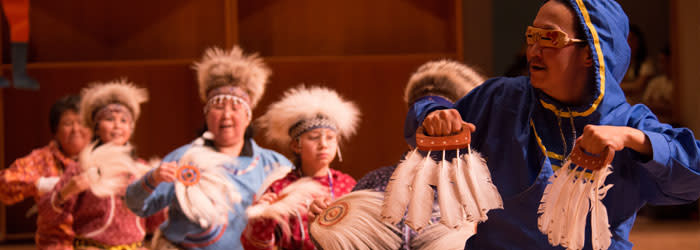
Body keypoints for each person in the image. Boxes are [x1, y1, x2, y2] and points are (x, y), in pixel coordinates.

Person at [417, 0, 700, 249]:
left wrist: (634, 139)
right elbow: (425, 122)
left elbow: (694, 175)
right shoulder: (501, 99)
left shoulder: (628, 122)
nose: (533, 51)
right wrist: (436, 115)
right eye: (531, 37)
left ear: (591, 52)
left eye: (549, 38)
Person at [125, 46, 292, 250]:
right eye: (219, 107)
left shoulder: (274, 165)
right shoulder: (184, 159)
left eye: (235, 108)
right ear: (206, 115)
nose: (226, 115)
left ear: (248, 117)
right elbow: (136, 205)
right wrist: (153, 178)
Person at [348, 59, 485, 249]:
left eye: (444, 128)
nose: (434, 133)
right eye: (424, 125)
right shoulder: (374, 184)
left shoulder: (481, 191)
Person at [37, 80, 166, 249]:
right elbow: (48, 214)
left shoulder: (140, 169)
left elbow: (153, 222)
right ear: (96, 128)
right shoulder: (81, 166)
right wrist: (67, 190)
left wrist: (166, 192)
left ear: (131, 128)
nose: (117, 126)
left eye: (124, 120)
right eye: (110, 119)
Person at [241, 85, 360, 249]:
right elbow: (255, 246)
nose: (323, 144)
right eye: (314, 137)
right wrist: (263, 218)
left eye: (331, 138)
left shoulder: (348, 185)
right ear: (296, 145)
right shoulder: (280, 190)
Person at [0, 95, 91, 246]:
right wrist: (40, 184)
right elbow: (4, 184)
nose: (76, 129)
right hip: (58, 243)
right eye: (68, 123)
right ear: (55, 131)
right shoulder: (42, 159)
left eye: (81, 123)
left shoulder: (104, 156)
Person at [620, 24, 655, 104]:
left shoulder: (646, 63)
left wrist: (618, 86)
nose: (628, 43)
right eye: (626, 40)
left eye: (631, 40)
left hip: (641, 107)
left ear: (638, 42)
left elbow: (638, 87)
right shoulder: (623, 63)